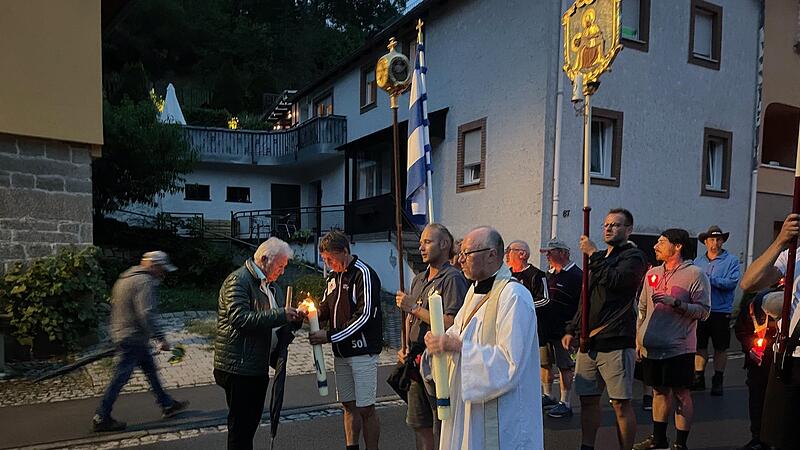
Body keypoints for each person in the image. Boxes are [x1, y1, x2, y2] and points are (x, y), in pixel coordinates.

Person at [424, 226, 543, 449]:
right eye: (460, 254)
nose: (460, 260)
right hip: (469, 405)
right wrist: (438, 341)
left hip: (501, 413)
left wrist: (458, 346)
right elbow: (459, 330)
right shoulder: (474, 291)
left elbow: (510, 362)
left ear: (491, 254)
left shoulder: (514, 296)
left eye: (466, 254)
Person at [562, 208, 647, 450]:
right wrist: (572, 329)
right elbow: (586, 299)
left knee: (620, 403)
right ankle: (586, 445)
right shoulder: (600, 260)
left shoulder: (634, 257)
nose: (609, 228)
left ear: (628, 229)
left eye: (616, 225)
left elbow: (618, 281)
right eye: (606, 224)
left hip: (616, 341)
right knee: (588, 401)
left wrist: (593, 254)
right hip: (589, 344)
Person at [213, 238, 302, 450]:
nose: (281, 272)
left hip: (257, 366)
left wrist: (294, 322)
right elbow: (240, 319)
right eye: (280, 266)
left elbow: (277, 328)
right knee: (241, 429)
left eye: (284, 267)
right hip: (239, 366)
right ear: (264, 260)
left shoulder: (273, 288)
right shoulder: (238, 280)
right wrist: (281, 314)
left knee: (250, 426)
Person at [92, 251, 189, 432]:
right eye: (162, 269)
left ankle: (167, 404)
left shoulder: (125, 278)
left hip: (124, 333)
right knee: (120, 377)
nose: (163, 274)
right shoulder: (144, 282)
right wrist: (160, 338)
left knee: (150, 370)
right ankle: (101, 416)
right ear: (153, 265)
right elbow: (146, 313)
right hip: (132, 337)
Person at [633, 229, 711, 450]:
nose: (656, 246)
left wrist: (676, 303)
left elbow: (704, 312)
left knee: (680, 394)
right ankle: (658, 440)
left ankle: (680, 444)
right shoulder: (652, 273)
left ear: (677, 246)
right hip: (651, 346)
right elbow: (642, 307)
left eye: (661, 242)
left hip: (679, 347)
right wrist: (639, 338)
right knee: (658, 391)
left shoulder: (695, 274)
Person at [396, 223, 468, 450]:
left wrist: (414, 308)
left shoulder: (453, 278)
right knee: (420, 423)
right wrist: (404, 345)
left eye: (427, 242)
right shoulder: (419, 279)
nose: (421, 248)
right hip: (415, 360)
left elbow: (452, 322)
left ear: (444, 244)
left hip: (439, 363)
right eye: (420, 243)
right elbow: (409, 318)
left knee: (443, 421)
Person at [311, 230, 383, 450]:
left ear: (344, 251)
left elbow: (365, 315)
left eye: (331, 259)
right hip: (341, 353)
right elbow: (325, 307)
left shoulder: (364, 274)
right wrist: (307, 313)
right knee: (348, 405)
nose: (329, 264)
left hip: (362, 352)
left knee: (366, 408)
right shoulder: (333, 277)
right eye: (324, 260)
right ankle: (351, 446)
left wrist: (330, 336)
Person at [739, 213, 800, 450]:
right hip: (789, 357)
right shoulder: (793, 255)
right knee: (781, 438)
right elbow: (749, 282)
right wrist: (780, 241)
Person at [693, 225, 741, 395]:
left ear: (723, 241)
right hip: (701, 309)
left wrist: (709, 280)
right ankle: (698, 377)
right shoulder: (697, 262)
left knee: (721, 347)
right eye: (711, 239)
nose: (715, 243)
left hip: (721, 310)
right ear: (705, 242)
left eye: (718, 239)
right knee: (699, 345)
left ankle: (718, 379)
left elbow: (732, 283)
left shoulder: (732, 260)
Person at [539, 238, 582, 418]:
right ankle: (549, 395)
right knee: (545, 363)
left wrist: (573, 330)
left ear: (563, 253)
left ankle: (565, 402)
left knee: (565, 366)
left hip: (564, 330)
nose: (547, 255)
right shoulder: (548, 275)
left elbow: (581, 305)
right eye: (547, 252)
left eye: (551, 251)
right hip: (546, 328)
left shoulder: (576, 275)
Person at [734, 285, 780, 450]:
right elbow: (740, 330)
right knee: (757, 399)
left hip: (781, 362)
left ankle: (779, 437)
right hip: (758, 364)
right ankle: (757, 437)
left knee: (780, 402)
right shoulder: (753, 305)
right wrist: (750, 347)